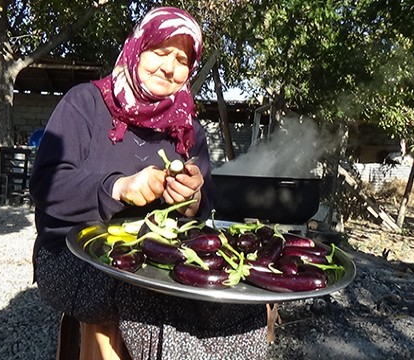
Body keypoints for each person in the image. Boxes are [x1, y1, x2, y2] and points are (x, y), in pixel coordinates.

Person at [29, 6, 267, 359]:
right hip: (71, 255)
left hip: (159, 258)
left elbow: (205, 211)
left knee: (239, 307)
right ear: (138, 48)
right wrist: (117, 188)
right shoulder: (86, 104)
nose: (170, 67)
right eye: (160, 51)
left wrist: (192, 200)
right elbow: (46, 186)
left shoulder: (187, 128)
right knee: (149, 302)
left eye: (182, 60)